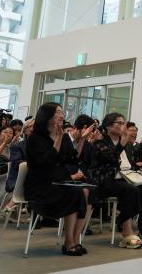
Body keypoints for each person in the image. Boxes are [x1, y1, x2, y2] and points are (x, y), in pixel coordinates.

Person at [24, 103, 90, 256]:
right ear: (46, 116)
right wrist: (59, 138)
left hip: (58, 182)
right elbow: (46, 163)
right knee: (75, 193)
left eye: (61, 112)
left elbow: (72, 160)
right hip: (40, 187)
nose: (61, 115)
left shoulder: (64, 137)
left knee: (88, 192)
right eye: (57, 112)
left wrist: (82, 140)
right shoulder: (35, 138)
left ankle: (73, 240)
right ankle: (69, 243)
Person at [88, 112, 142, 248]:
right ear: (109, 126)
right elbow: (110, 158)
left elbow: (139, 158)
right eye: (119, 123)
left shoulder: (126, 144)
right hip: (106, 180)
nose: (123, 126)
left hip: (127, 178)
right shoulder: (100, 142)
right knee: (130, 191)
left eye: (123, 123)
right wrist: (121, 144)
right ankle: (126, 232)